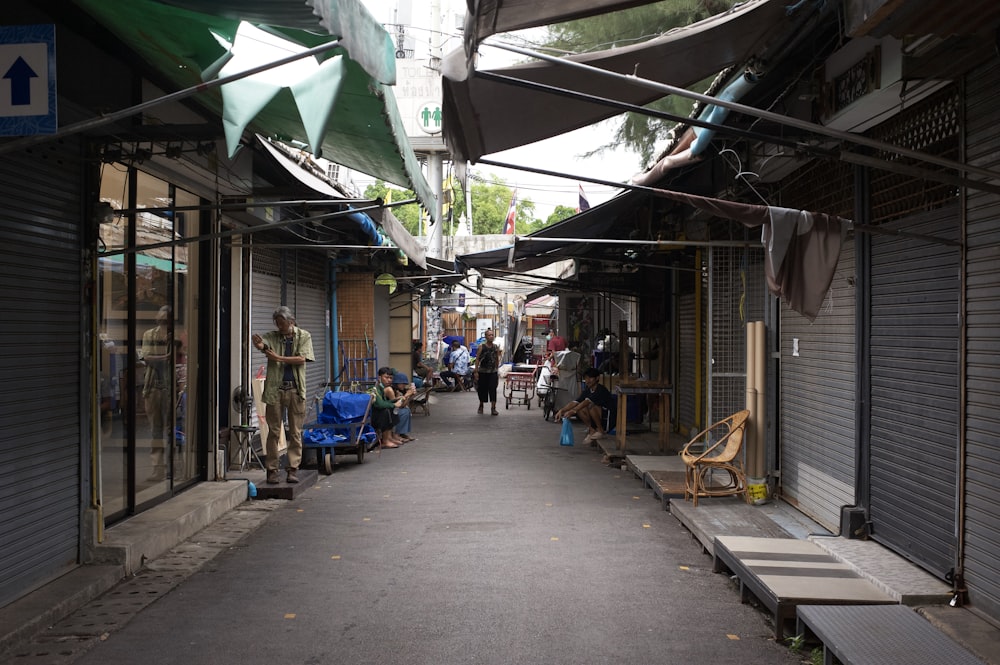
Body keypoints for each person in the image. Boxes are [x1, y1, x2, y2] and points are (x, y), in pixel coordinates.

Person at [251, 306, 314, 484]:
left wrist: (278, 358)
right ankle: (272, 469)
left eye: (282, 323)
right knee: (274, 431)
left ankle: (292, 468)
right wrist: (259, 345)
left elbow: (302, 358)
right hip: (275, 389)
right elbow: (264, 344)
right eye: (277, 323)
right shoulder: (273, 336)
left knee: (295, 431)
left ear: (291, 321)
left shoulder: (304, 336)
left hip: (295, 389)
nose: (279, 326)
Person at [139, 305, 176, 482]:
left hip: (170, 388)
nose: (163, 320)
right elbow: (146, 358)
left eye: (166, 318)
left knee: (171, 429)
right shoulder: (149, 335)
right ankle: (157, 468)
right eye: (161, 317)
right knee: (155, 429)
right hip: (153, 387)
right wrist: (165, 357)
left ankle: (171, 466)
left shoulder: (175, 336)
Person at [554, 367, 617, 445]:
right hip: (598, 417)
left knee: (590, 405)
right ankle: (592, 430)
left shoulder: (601, 390)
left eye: (590, 378)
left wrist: (573, 411)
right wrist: (562, 410)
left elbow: (587, 402)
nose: (587, 381)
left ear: (597, 378)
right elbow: (576, 402)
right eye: (586, 378)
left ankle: (601, 431)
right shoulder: (588, 390)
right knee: (580, 409)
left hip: (608, 419)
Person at [372, 367, 406, 448]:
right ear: (379, 377)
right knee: (386, 411)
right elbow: (379, 404)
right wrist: (394, 404)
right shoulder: (375, 388)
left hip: (378, 413)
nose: (389, 380)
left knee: (392, 410)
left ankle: (389, 438)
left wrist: (395, 401)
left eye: (391, 378)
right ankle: (385, 440)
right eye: (386, 377)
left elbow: (385, 402)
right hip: (373, 416)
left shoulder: (381, 388)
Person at [472, 328, 502, 415]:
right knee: (482, 389)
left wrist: (497, 370)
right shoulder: (482, 347)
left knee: (493, 389)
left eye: (492, 335)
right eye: (489, 335)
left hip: (492, 372)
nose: (491, 336)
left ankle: (493, 408)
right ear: (486, 337)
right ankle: (481, 405)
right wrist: (476, 371)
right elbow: (477, 359)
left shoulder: (495, 347)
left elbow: (497, 358)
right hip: (483, 372)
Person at [389, 371, 417, 443]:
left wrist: (410, 396)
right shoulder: (391, 390)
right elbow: (398, 404)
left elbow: (404, 404)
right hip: (390, 409)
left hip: (396, 408)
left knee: (406, 410)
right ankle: (396, 434)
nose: (404, 386)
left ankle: (402, 433)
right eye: (402, 384)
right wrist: (406, 395)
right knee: (403, 412)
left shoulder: (401, 391)